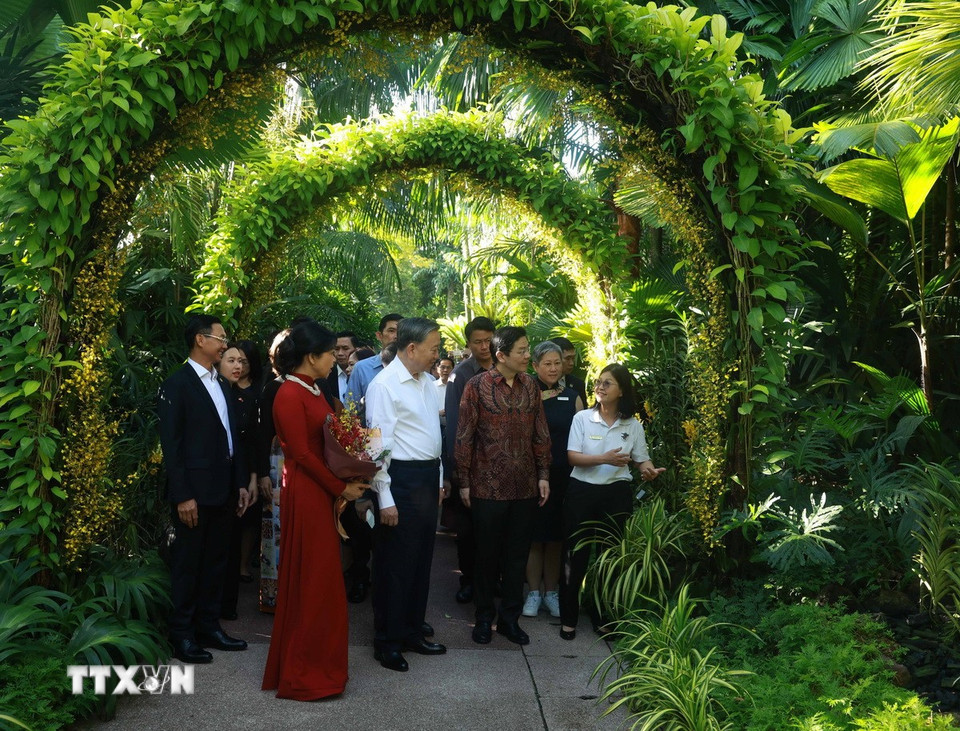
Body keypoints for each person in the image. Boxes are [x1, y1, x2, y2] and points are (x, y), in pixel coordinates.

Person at [261, 321, 367, 700]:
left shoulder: (312, 389)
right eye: (328, 354)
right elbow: (302, 454)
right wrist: (341, 486)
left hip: (319, 489)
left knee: (322, 582)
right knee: (314, 582)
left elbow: (329, 440)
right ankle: (305, 674)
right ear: (311, 357)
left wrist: (352, 468)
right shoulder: (289, 393)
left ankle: (321, 666)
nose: (334, 361)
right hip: (306, 492)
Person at [157, 314, 251, 664]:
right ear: (200, 339)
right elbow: (172, 446)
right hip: (193, 494)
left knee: (216, 562)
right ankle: (181, 635)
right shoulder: (176, 384)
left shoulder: (223, 383)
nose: (225, 343)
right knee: (188, 565)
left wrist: (240, 483)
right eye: (220, 338)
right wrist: (182, 495)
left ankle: (209, 627)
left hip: (224, 489)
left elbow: (231, 438)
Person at [455, 326, 551, 646]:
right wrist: (464, 481)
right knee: (485, 556)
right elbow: (464, 436)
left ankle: (510, 620)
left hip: (525, 487)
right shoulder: (475, 386)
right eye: (522, 351)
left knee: (516, 557)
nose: (528, 356)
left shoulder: (532, 386)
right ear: (502, 356)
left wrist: (543, 475)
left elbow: (541, 434)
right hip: (486, 487)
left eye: (528, 349)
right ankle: (484, 619)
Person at [558, 364, 666, 641]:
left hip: (616, 494)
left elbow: (641, 458)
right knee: (575, 556)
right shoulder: (582, 418)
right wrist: (604, 459)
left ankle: (603, 618)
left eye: (608, 383)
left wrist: (648, 471)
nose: (600, 387)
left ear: (622, 391)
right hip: (581, 492)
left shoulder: (633, 425)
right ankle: (568, 618)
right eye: (598, 382)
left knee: (609, 560)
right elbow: (572, 457)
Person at [365, 318, 446, 672]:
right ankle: (388, 641)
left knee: (420, 561)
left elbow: (431, 434)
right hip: (399, 479)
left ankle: (412, 630)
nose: (437, 355)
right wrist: (385, 497)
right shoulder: (384, 385)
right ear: (411, 349)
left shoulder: (427, 381)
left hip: (427, 478)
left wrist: (439, 477)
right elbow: (377, 446)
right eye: (434, 349)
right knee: (394, 565)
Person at [523, 341, 583, 619]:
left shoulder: (573, 397)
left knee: (557, 537)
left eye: (557, 363)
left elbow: (581, 436)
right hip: (532, 475)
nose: (553, 368)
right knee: (534, 536)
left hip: (564, 476)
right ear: (535, 366)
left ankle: (552, 592)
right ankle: (533, 593)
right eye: (547, 363)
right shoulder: (525, 392)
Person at [442, 316, 496, 604]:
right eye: (478, 341)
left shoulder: (506, 368)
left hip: (500, 466)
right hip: (470, 465)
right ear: (468, 343)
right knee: (467, 530)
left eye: (489, 340)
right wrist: (456, 471)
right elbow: (454, 425)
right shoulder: (461, 375)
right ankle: (469, 580)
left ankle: (492, 581)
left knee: (495, 529)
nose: (484, 346)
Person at [218, 342, 261, 620]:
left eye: (242, 361)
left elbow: (253, 440)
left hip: (242, 472)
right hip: (216, 478)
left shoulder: (253, 394)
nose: (237, 366)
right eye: (231, 360)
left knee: (235, 538)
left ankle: (226, 606)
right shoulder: (217, 391)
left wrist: (253, 478)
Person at [256, 329, 289, 614]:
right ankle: (273, 597)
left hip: (301, 469)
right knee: (274, 532)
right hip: (276, 468)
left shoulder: (317, 386)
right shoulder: (272, 388)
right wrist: (263, 473)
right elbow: (263, 434)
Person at [346, 313, 403, 407]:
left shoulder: (414, 369)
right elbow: (350, 409)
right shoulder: (362, 369)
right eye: (391, 331)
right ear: (379, 335)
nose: (396, 336)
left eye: (401, 331)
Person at [551, 336, 588, 407]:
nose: (571, 363)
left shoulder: (578, 384)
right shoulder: (536, 384)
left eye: (573, 358)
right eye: (567, 359)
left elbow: (583, 414)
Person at [329, 330, 358, 404]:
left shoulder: (363, 374)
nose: (340, 353)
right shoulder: (327, 375)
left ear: (356, 349)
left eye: (345, 348)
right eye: (336, 349)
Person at [435, 356, 454, 430]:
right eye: (442, 367)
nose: (445, 370)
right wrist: (438, 413)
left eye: (448, 368)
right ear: (437, 369)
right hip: (438, 427)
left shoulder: (456, 386)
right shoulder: (431, 386)